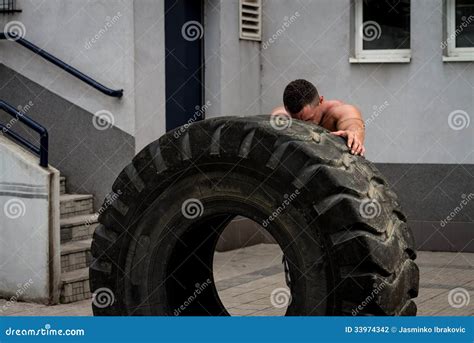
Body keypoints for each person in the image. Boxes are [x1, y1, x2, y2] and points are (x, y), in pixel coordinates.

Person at [272, 79, 365, 156]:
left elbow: (353, 123)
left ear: (321, 101)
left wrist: (352, 134)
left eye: (308, 120)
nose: (304, 125)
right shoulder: (286, 114)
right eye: (297, 121)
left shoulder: (339, 110)